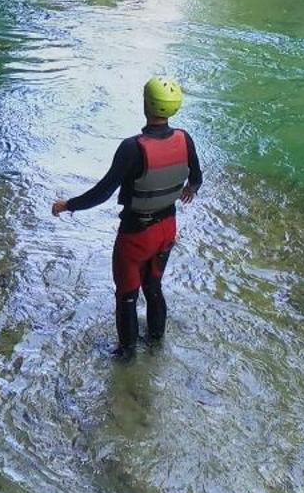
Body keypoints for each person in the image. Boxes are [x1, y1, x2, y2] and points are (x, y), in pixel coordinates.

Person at [51, 77, 202, 361]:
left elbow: (102, 193)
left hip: (136, 236)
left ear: (145, 104)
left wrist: (67, 205)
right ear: (173, 108)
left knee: (128, 295)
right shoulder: (185, 139)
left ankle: (127, 355)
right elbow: (196, 179)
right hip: (167, 229)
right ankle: (156, 345)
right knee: (154, 286)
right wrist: (189, 191)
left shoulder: (132, 148)